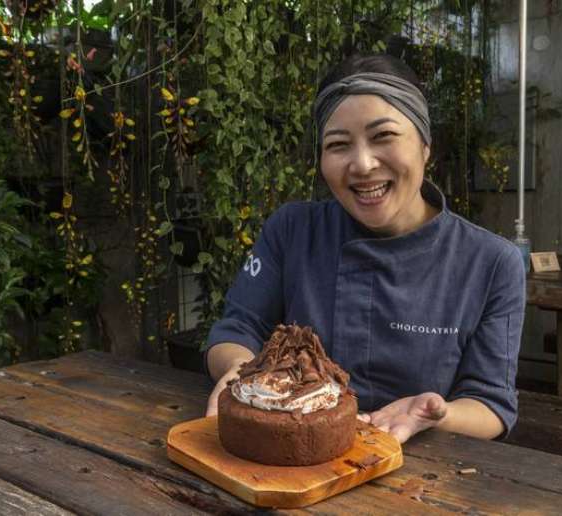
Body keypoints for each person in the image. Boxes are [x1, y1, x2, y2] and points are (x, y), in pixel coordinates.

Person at [203, 53, 526, 444]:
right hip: (292, 453)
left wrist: (434, 415)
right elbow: (238, 327)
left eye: (383, 136)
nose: (362, 164)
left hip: (422, 475)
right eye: (338, 144)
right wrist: (241, 374)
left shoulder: (492, 263)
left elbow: (490, 403)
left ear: (425, 145)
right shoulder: (292, 230)